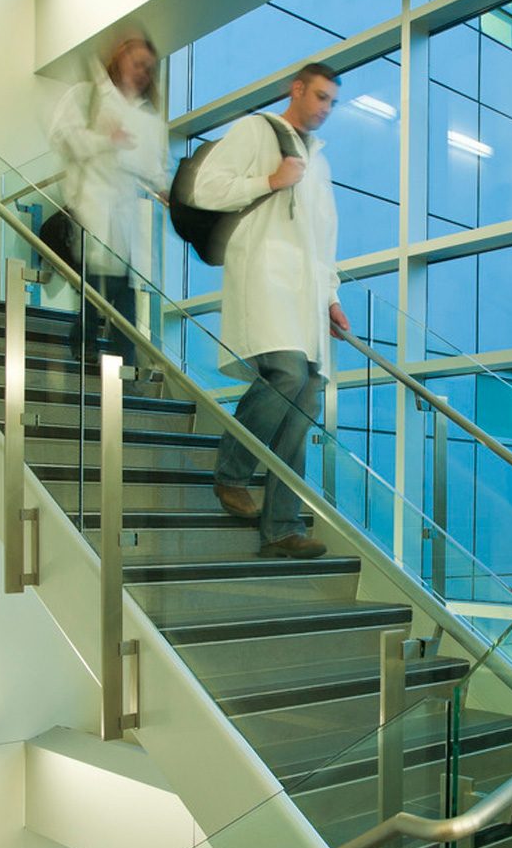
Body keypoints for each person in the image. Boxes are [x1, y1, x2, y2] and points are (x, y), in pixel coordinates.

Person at [191, 63, 348, 559]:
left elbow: (325, 236)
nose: (325, 109)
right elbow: (205, 189)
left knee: (306, 400)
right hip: (264, 276)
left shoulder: (320, 161)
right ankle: (231, 473)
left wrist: (331, 296)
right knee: (284, 375)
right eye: (320, 96)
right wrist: (269, 179)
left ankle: (281, 528)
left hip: (305, 294)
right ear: (296, 89)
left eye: (332, 102)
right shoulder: (255, 130)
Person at [51, 31, 170, 367]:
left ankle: (121, 372)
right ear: (119, 59)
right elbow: (63, 138)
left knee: (123, 297)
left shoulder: (147, 117)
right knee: (99, 289)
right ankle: (88, 354)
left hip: (125, 223)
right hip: (91, 212)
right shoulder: (87, 97)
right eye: (138, 63)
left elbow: (155, 167)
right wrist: (107, 140)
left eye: (149, 68)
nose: (143, 73)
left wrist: (164, 189)